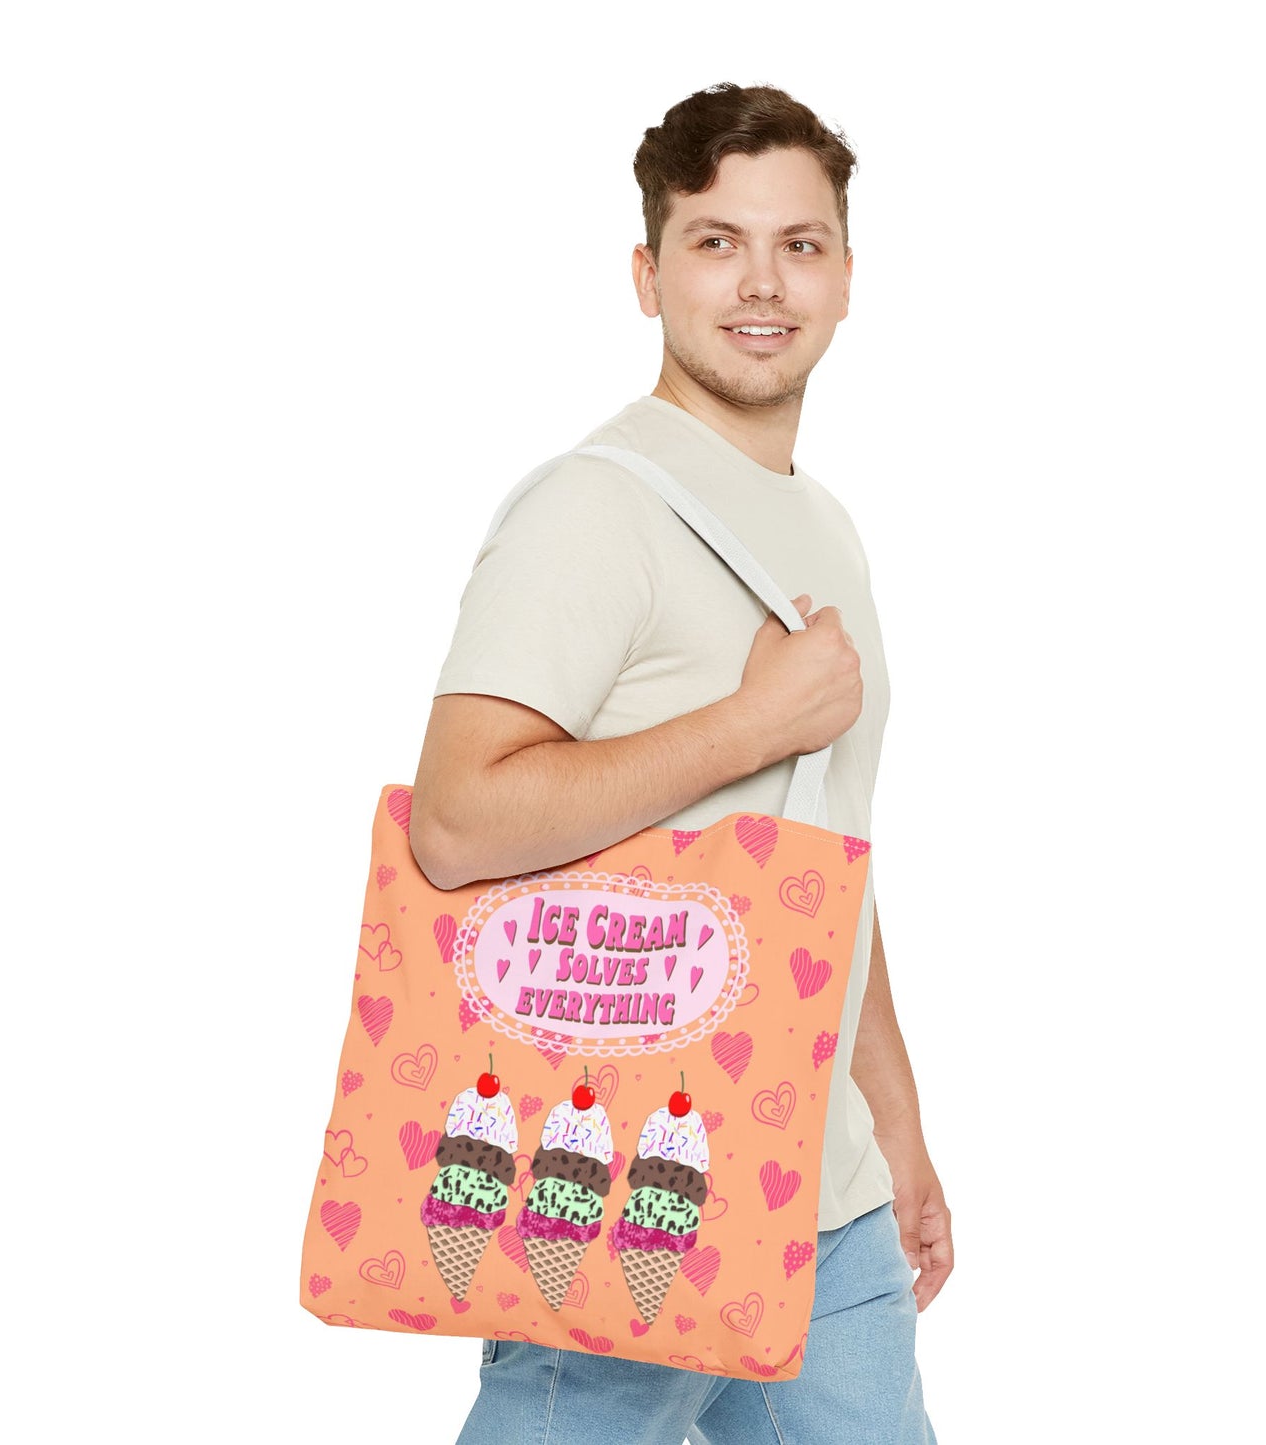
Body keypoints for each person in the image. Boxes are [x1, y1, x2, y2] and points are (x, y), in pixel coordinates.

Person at [410, 81, 950, 1445]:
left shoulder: (822, 523)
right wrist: (747, 724)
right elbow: (458, 820)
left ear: (845, 277)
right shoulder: (591, 507)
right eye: (716, 242)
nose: (761, 282)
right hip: (623, 1191)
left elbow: (824, 848)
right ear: (648, 277)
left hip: (826, 1207)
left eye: (798, 244)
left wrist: (893, 1128)